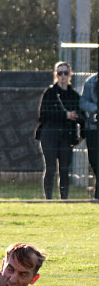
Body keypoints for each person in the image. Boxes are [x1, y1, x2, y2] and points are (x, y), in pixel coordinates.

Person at [35, 61, 82, 199]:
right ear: (56, 75)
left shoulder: (74, 95)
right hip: (49, 135)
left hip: (66, 136)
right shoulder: (50, 93)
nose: (63, 76)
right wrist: (65, 115)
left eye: (66, 73)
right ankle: (48, 198)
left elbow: (81, 116)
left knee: (64, 169)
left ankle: (64, 199)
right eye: (60, 73)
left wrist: (80, 133)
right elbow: (44, 114)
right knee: (50, 168)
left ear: (70, 74)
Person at [81, 70, 99, 199]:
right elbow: (83, 102)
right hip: (93, 129)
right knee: (94, 161)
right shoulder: (91, 82)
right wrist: (96, 108)